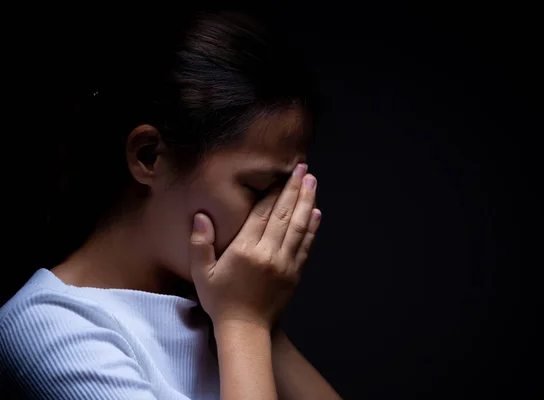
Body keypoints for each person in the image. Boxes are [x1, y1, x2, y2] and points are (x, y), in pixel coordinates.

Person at [0, 8, 341, 400]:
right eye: (259, 187)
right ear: (149, 156)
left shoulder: (220, 306)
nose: (281, 217)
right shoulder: (49, 329)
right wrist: (244, 322)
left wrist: (260, 322)